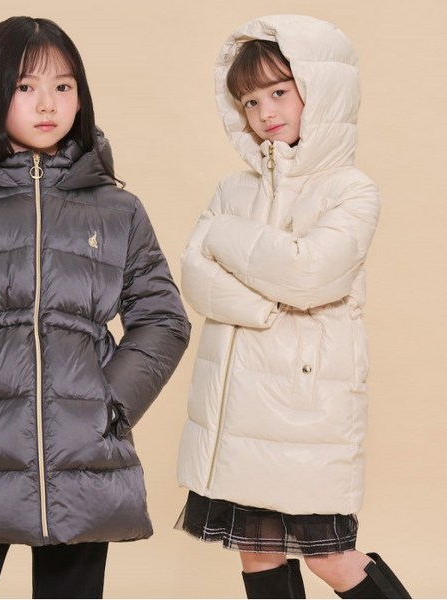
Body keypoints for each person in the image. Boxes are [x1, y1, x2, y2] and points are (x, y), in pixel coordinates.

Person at [0, 16, 190, 599]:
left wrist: (108, 405)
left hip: (82, 456)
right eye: (25, 86)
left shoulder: (117, 210)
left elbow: (163, 320)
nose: (47, 103)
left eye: (63, 85)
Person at [175, 14, 410, 599]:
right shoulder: (234, 188)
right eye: (250, 102)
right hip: (238, 411)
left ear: (319, 90)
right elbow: (195, 277)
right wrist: (263, 307)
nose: (265, 112)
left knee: (331, 556)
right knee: (257, 553)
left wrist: (223, 235)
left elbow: (310, 276)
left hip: (305, 409)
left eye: (280, 92)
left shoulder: (352, 190)